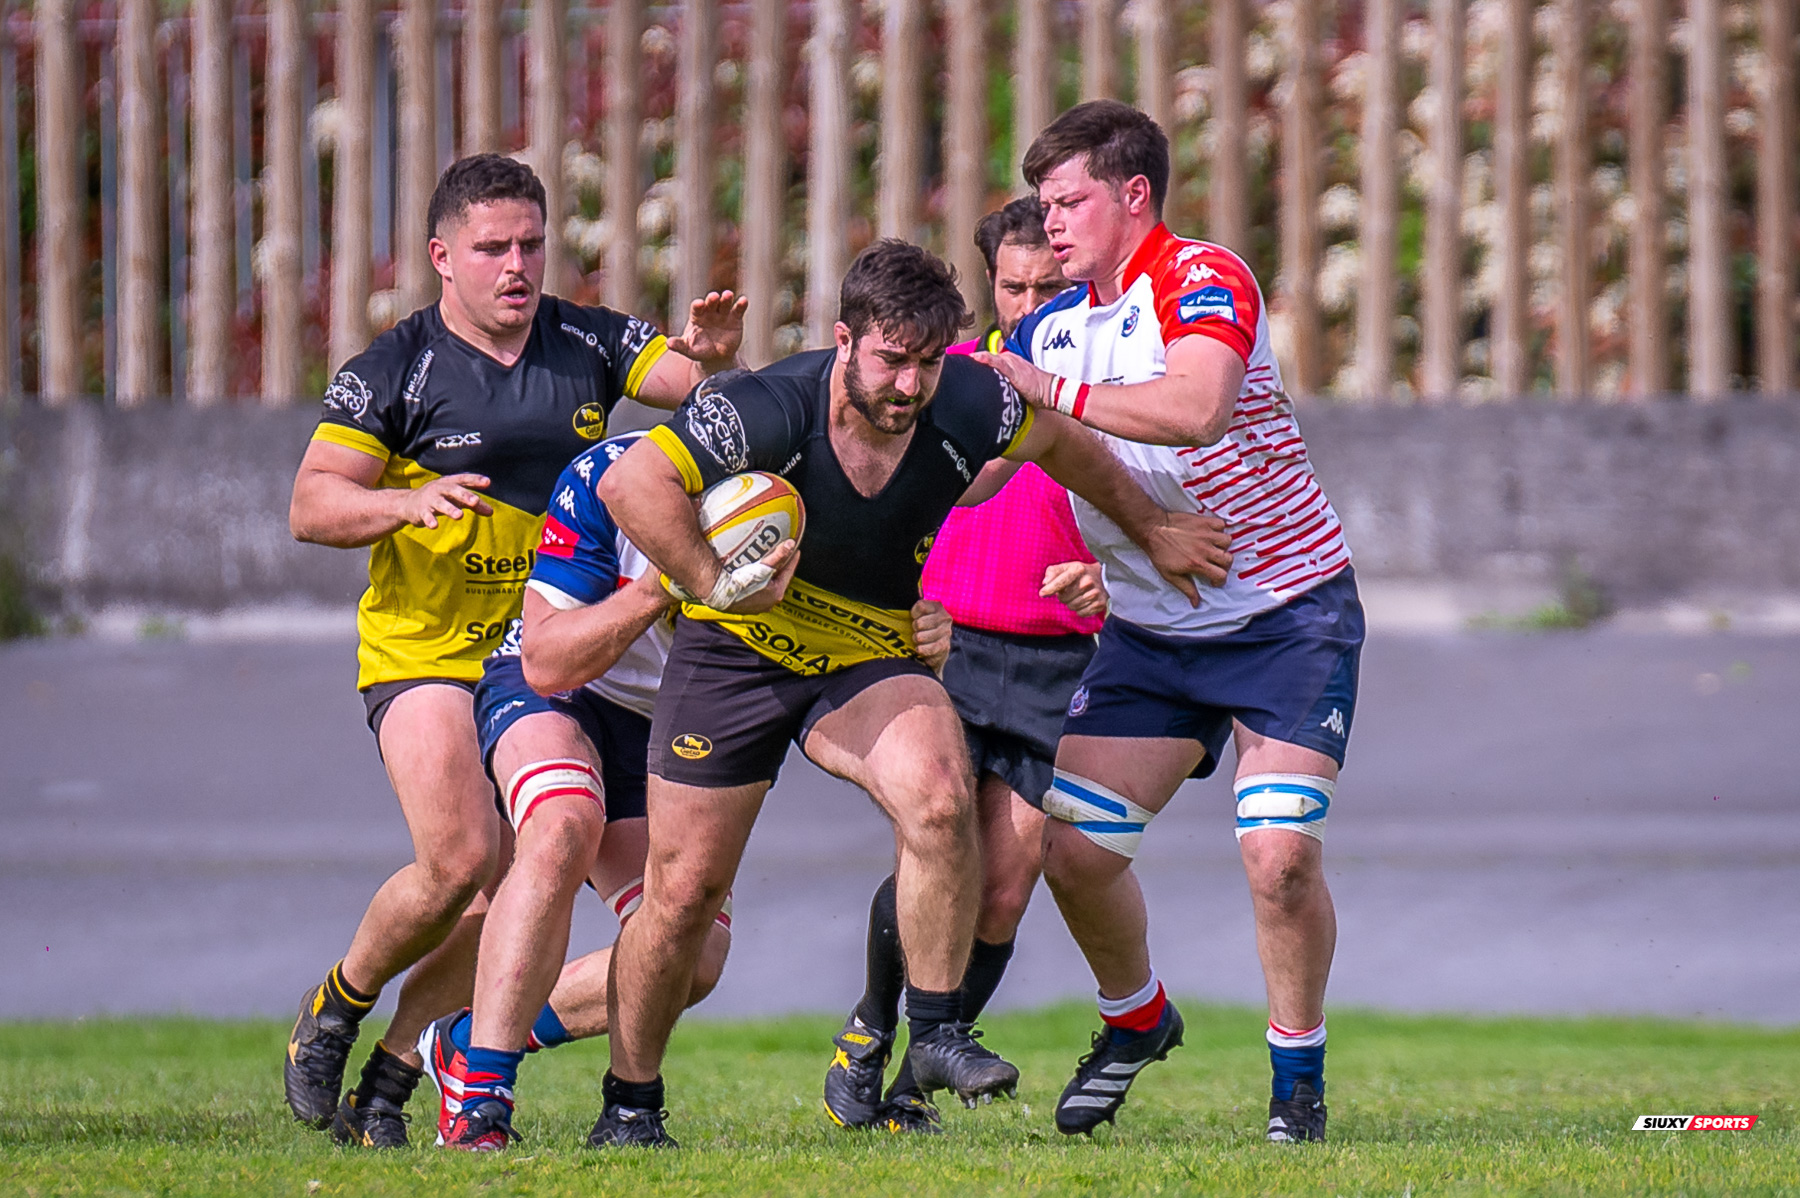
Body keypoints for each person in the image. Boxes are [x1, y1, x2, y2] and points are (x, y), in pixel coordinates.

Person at [587, 239, 1233, 1147]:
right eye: (892, 360)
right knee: (685, 892)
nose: (909, 386)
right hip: (737, 646)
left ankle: (931, 1032)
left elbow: (1064, 443)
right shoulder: (769, 404)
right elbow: (631, 480)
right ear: (845, 340)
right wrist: (708, 576)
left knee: (939, 795)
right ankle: (630, 1102)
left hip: (866, 645)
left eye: (928, 363)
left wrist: (1154, 527)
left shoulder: (967, 401)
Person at [284, 152, 745, 1148]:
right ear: (443, 257)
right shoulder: (394, 369)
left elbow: (701, 401)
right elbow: (312, 503)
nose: (517, 264)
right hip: (431, 648)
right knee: (460, 862)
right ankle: (338, 1008)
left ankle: (405, 1072)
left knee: (513, 888)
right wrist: (405, 499)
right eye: (493, 247)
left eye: (532, 244)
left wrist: (709, 361)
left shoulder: (584, 339)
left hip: (551, 648)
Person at [976, 100, 1363, 1143]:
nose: (1049, 225)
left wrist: (1041, 388)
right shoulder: (1047, 325)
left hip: (1287, 616)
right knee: (1077, 855)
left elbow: (1196, 405)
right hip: (1151, 634)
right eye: (1045, 205)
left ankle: (1298, 1081)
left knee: (1278, 855)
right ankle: (1137, 1019)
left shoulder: (1204, 277)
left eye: (1070, 202)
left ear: (1133, 194)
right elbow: (981, 472)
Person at [822, 197, 1111, 1134]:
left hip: (1056, 653)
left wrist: (1106, 571)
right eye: (1012, 286)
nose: (1028, 305)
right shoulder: (952, 382)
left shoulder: (1106, 386)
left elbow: (1149, 500)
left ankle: (920, 1069)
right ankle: (873, 1024)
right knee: (936, 836)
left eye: (1049, 287)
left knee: (1011, 872)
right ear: (989, 284)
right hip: (952, 639)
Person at [409, 430, 738, 1151]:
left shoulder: (795, 499)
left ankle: (466, 1040)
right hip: (559, 687)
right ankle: (482, 1099)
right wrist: (657, 591)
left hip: (659, 727)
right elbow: (547, 657)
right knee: (562, 826)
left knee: (696, 951)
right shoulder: (607, 477)